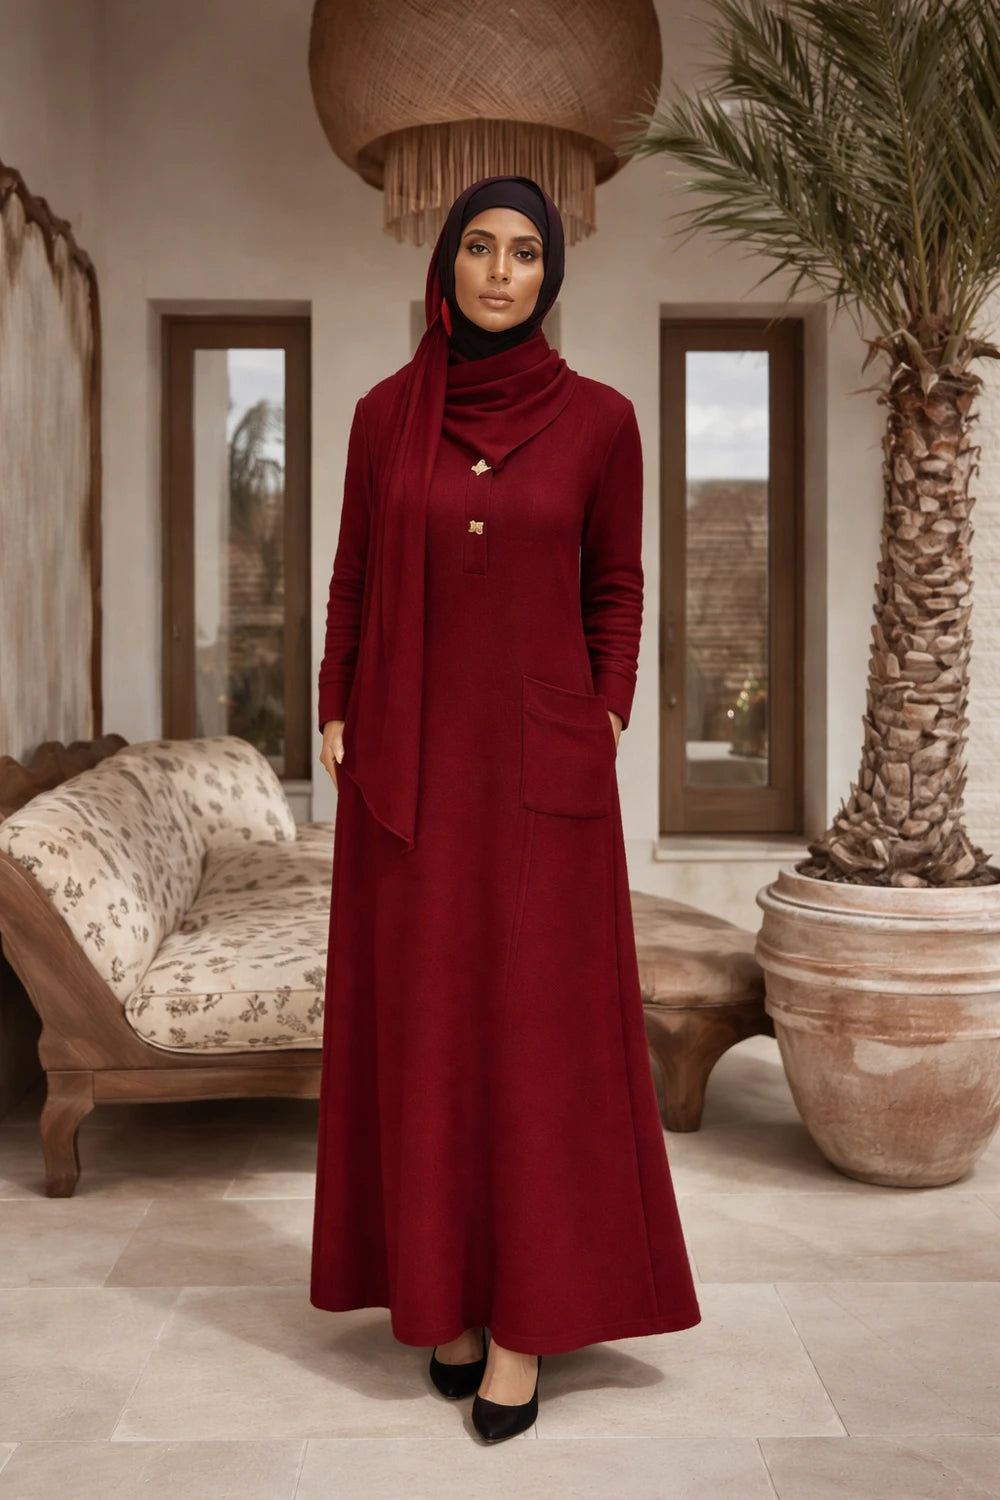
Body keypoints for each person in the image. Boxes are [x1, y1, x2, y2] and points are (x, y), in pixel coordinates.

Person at [311, 174, 701, 1444]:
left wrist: (604, 714)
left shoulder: (601, 422)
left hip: (542, 778)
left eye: (523, 252)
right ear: (446, 262)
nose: (497, 271)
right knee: (432, 1033)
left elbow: (618, 583)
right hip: (408, 769)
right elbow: (355, 574)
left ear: (550, 277)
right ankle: (449, 1300)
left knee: (535, 1043)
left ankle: (527, 1327)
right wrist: (334, 702)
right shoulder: (385, 416)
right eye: (477, 246)